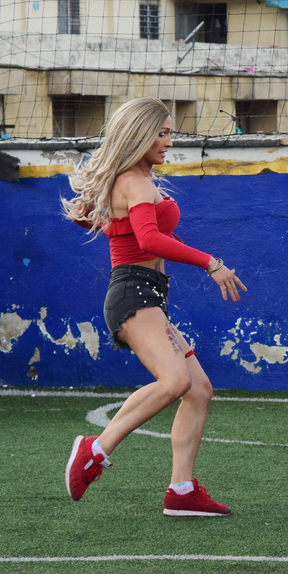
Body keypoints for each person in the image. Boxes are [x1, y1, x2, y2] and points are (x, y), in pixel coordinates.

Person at [61, 97, 247, 517]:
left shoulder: (134, 178)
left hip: (147, 294)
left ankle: (181, 490)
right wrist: (210, 263)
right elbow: (147, 240)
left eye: (170, 133)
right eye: (161, 133)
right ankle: (96, 449)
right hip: (133, 295)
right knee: (175, 381)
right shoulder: (136, 181)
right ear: (140, 135)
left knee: (198, 389)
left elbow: (125, 229)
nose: (168, 141)